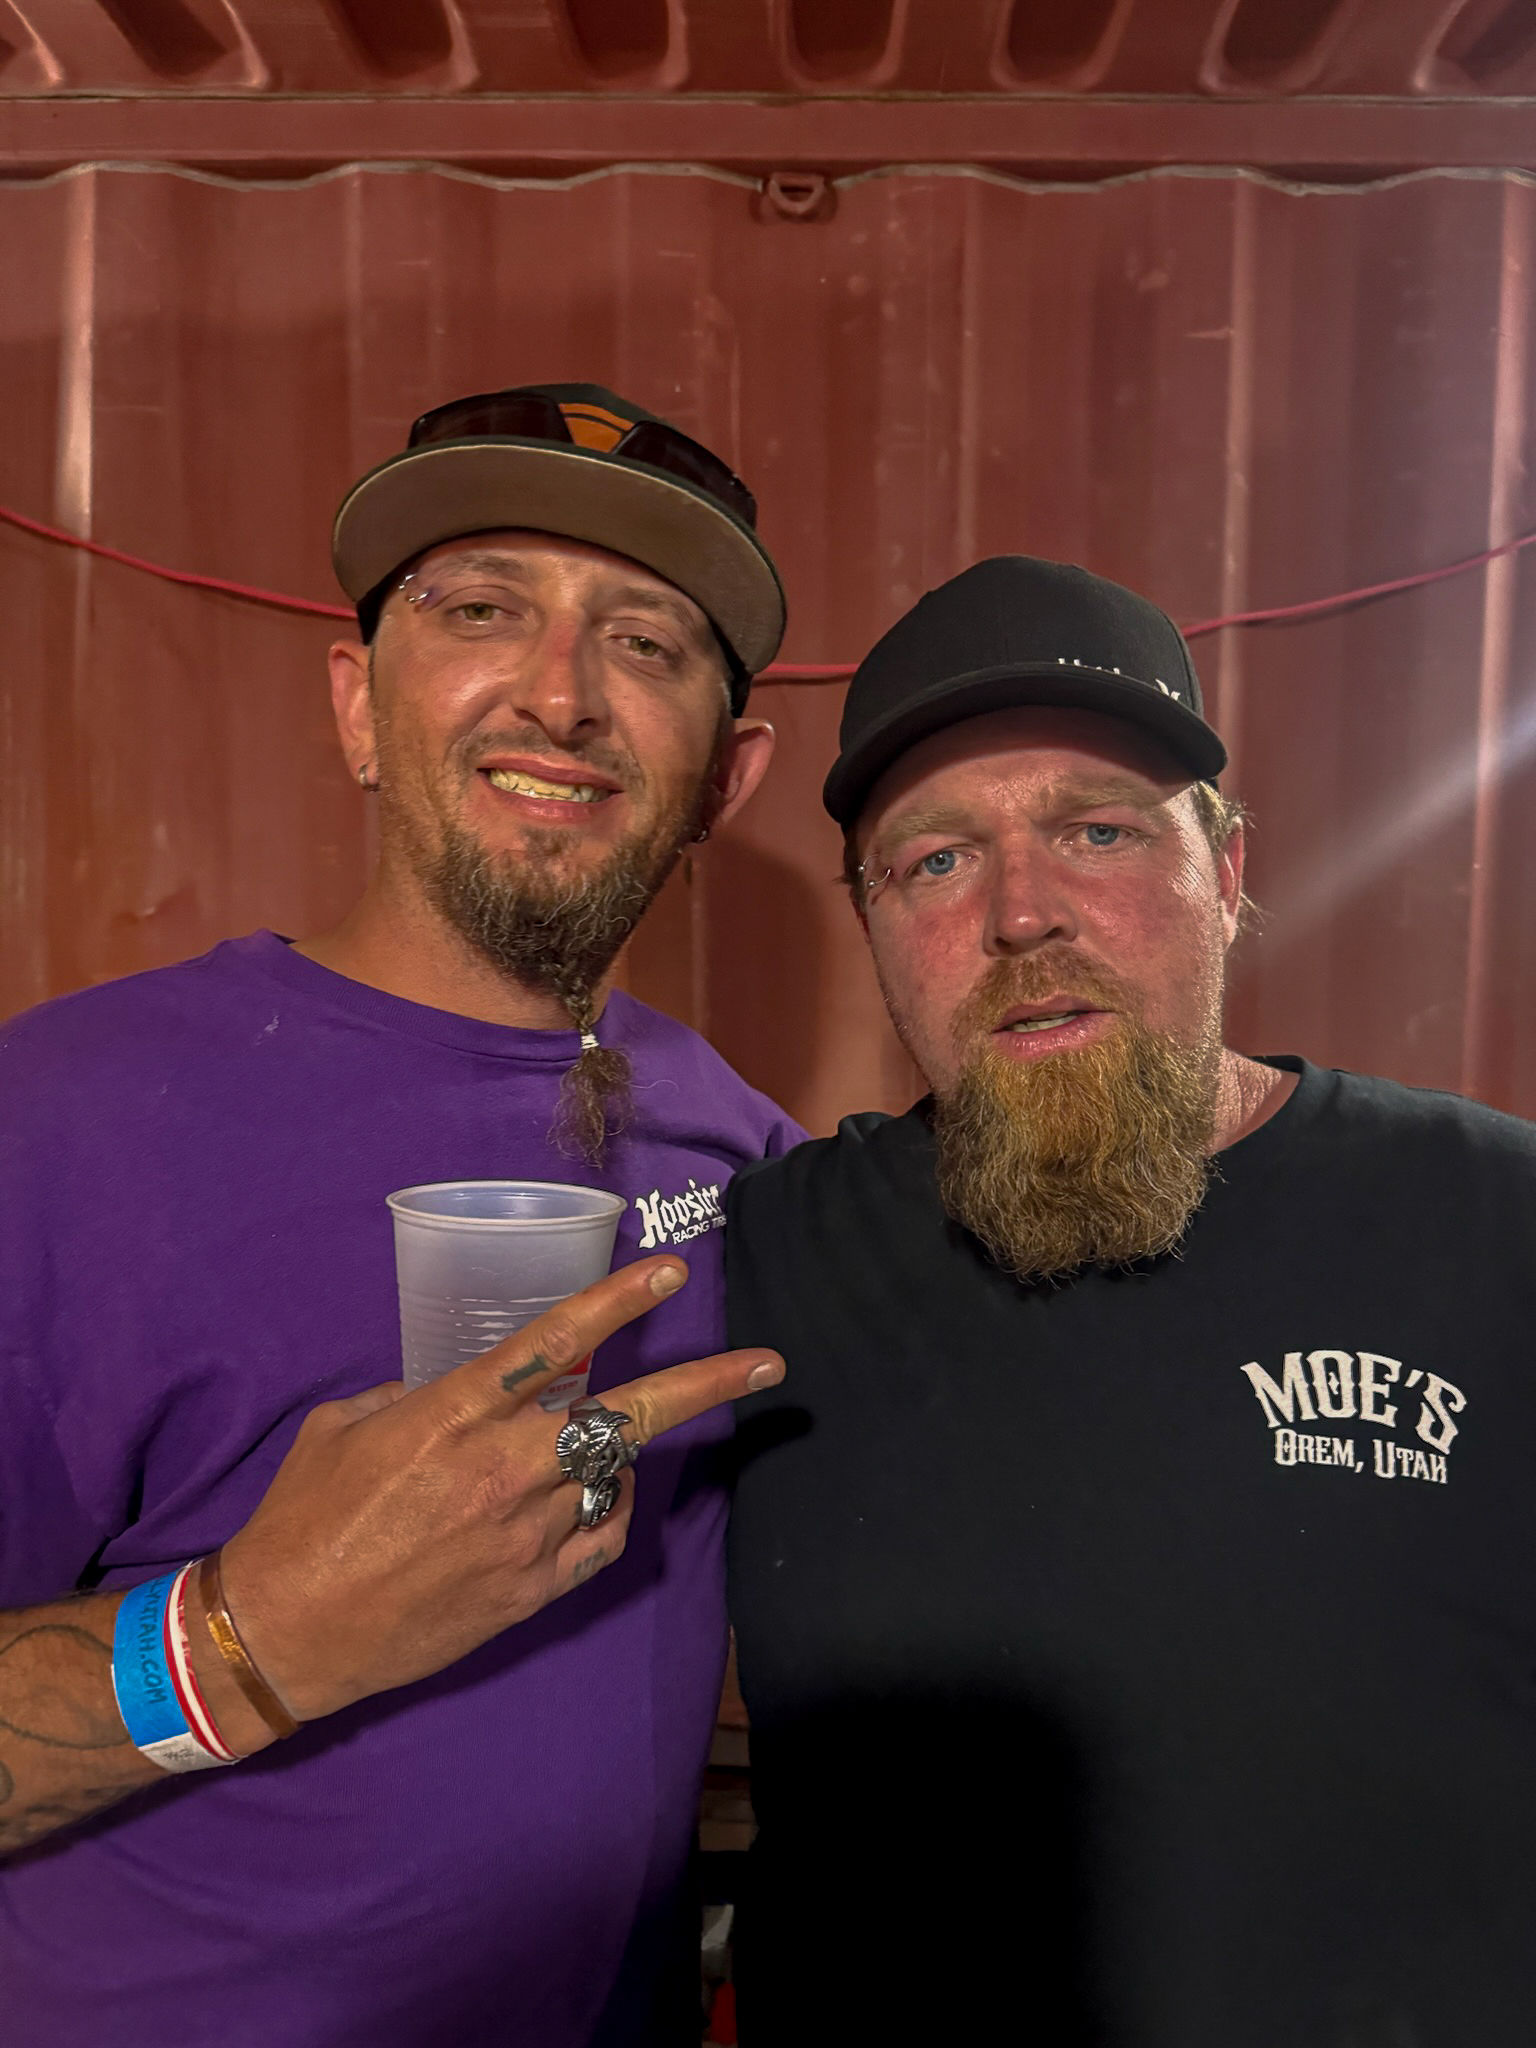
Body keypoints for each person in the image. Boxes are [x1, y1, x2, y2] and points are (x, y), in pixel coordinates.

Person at [0, 382, 798, 2047]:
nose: (562, 692)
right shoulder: (59, 1119)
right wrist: (241, 1643)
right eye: (483, 609)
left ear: (726, 780)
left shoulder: (753, 1161)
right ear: (359, 704)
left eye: (646, 642)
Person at [725, 555, 1536, 2047]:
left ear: (1224, 874)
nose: (1024, 915)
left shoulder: (1497, 1222)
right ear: (874, 925)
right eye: (937, 861)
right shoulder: (758, 1258)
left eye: (1098, 830)